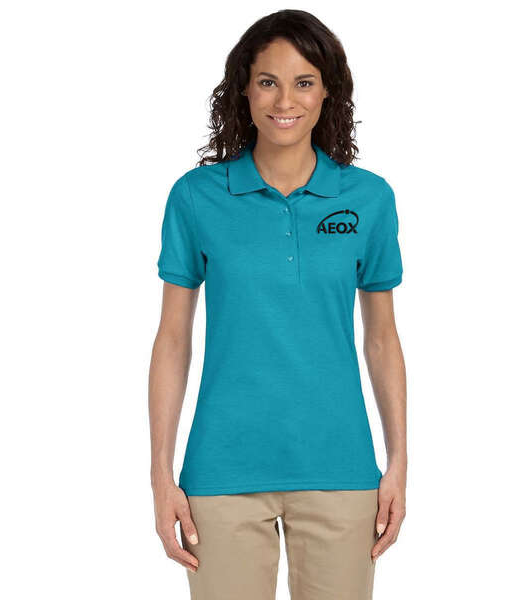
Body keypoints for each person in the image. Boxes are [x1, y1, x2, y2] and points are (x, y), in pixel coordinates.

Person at [148, 9, 407, 599]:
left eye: (304, 82)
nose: (284, 100)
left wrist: (398, 461)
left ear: (328, 92)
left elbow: (382, 338)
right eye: (267, 81)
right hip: (221, 473)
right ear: (243, 89)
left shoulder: (369, 198)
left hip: (341, 470)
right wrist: (161, 475)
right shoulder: (196, 197)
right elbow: (173, 339)